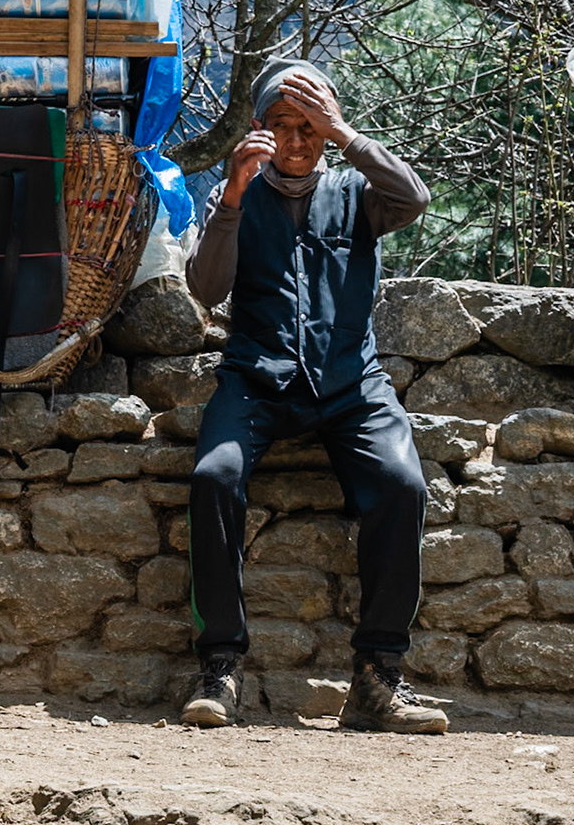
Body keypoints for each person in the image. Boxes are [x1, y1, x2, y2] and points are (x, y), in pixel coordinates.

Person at [178, 56, 446, 734]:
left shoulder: (360, 192)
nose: (297, 141)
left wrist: (345, 134)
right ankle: (220, 665)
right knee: (214, 478)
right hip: (255, 378)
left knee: (402, 486)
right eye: (282, 125)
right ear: (258, 129)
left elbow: (415, 199)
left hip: (351, 383)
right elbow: (205, 288)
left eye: (311, 126)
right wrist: (232, 195)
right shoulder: (234, 196)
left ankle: (378, 675)